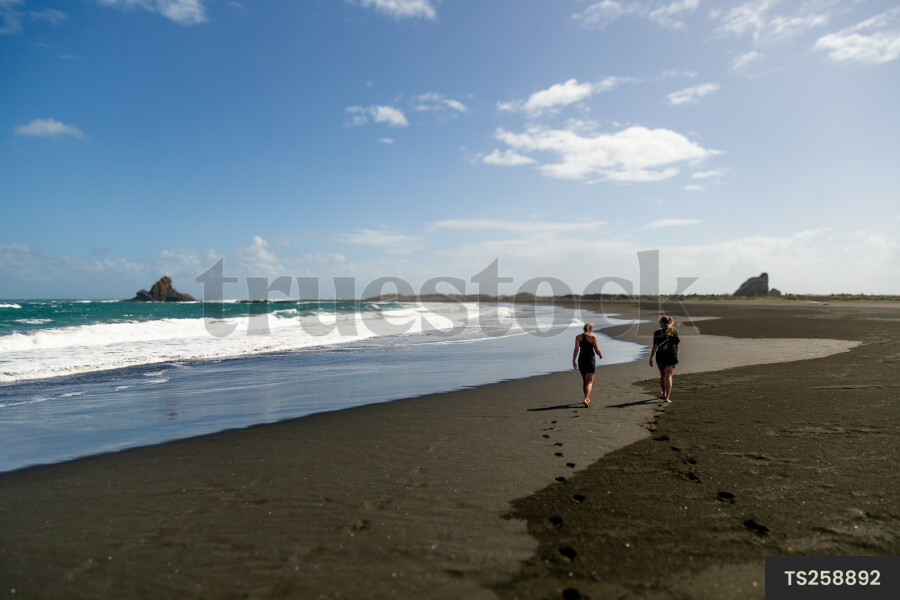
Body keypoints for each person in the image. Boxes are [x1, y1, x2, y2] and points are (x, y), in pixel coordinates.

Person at [649, 315, 680, 403]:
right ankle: (667, 397)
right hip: (671, 356)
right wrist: (676, 354)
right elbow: (677, 345)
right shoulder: (674, 332)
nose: (659, 322)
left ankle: (664, 393)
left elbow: (655, 347)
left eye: (660, 321)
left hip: (660, 356)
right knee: (668, 376)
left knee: (662, 376)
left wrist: (651, 358)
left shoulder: (657, 333)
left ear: (663, 323)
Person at [573, 323, 603, 407]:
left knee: (584, 381)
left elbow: (576, 349)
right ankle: (586, 398)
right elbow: (597, 349)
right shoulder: (592, 337)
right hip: (590, 360)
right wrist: (600, 354)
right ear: (590, 329)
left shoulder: (578, 337)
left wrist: (573, 360)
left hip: (581, 360)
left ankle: (586, 397)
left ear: (583, 329)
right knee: (590, 381)